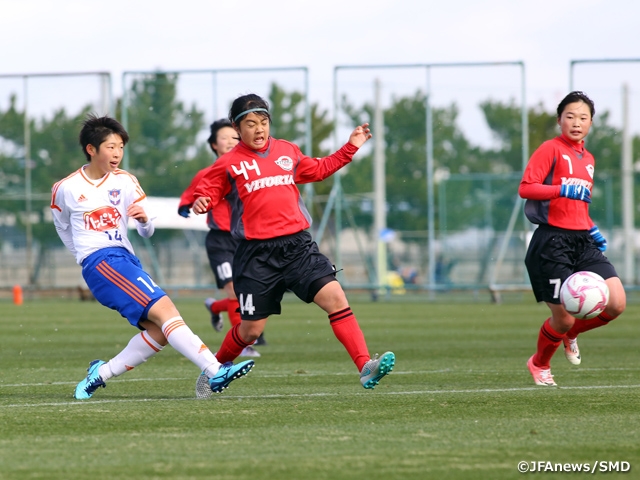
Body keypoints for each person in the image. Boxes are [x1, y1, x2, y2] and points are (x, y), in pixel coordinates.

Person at [192, 93, 395, 389]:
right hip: (256, 255)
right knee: (250, 331)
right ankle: (212, 372)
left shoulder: (287, 151)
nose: (259, 129)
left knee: (336, 298)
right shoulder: (229, 164)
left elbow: (318, 169)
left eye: (263, 122)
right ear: (237, 129)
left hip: (297, 247)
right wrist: (203, 201)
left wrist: (350, 147)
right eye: (250, 124)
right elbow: (208, 190)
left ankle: (365, 365)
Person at [51, 114, 254, 400]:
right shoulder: (66, 188)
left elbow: (147, 231)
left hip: (125, 260)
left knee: (159, 332)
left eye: (121, 147)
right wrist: (84, 256)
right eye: (111, 147)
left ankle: (101, 373)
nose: (117, 153)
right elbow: (62, 227)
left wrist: (144, 220)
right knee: (167, 310)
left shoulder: (125, 182)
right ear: (91, 149)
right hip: (102, 262)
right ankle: (214, 369)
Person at [519, 91, 626, 386]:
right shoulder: (550, 149)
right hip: (552, 243)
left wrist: (591, 227)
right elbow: (527, 188)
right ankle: (539, 363)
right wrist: (560, 189)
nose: (576, 122)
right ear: (559, 120)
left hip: (583, 241)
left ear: (591, 123)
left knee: (616, 304)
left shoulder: (588, 158)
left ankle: (573, 333)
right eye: (570, 116)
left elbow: (578, 204)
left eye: (583, 118)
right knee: (563, 317)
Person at [177, 119, 264, 357]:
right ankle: (244, 344)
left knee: (250, 294)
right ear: (214, 145)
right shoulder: (208, 174)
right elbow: (186, 203)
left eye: (234, 137)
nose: (229, 142)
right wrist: (190, 206)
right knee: (235, 292)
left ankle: (215, 307)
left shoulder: (252, 171)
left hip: (246, 240)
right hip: (220, 242)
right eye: (223, 138)